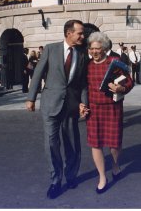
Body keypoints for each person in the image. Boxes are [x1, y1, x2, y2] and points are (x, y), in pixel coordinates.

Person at [26, 20, 89, 199]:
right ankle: (55, 181)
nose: (82, 36)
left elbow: (83, 84)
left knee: (72, 145)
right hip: (50, 105)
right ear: (69, 33)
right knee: (52, 145)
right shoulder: (51, 49)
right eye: (80, 33)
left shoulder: (82, 54)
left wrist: (84, 103)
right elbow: (38, 73)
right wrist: (31, 98)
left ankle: (70, 176)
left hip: (71, 106)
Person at [79, 32, 133, 194]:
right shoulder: (86, 65)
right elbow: (81, 87)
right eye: (91, 48)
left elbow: (130, 81)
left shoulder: (114, 62)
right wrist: (81, 104)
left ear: (104, 48)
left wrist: (121, 88)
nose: (94, 52)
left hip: (112, 108)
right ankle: (102, 176)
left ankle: (115, 165)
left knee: (114, 143)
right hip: (93, 109)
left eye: (97, 48)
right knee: (95, 144)